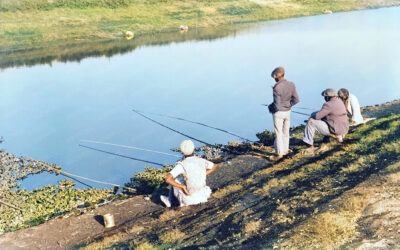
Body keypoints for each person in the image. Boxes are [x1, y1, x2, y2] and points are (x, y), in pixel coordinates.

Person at [160, 140, 218, 207]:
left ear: (182, 151)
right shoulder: (201, 160)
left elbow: (168, 179)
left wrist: (182, 187)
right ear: (193, 149)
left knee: (176, 180)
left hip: (189, 199)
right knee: (182, 179)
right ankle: (171, 200)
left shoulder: (182, 164)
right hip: (203, 196)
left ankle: (170, 202)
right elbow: (215, 166)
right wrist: (202, 174)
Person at [268, 66, 300, 160]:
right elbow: (296, 100)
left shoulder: (276, 87)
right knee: (286, 132)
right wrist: (288, 105)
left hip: (279, 113)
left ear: (276, 77)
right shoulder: (291, 84)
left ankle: (279, 154)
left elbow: (277, 105)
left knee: (279, 133)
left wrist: (271, 107)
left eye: (274, 78)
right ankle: (285, 150)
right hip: (288, 111)